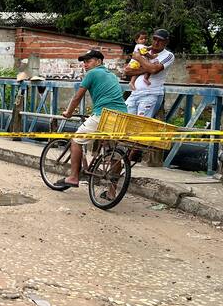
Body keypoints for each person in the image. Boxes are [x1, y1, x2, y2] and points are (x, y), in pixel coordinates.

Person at [59, 50, 127, 188]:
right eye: (84, 62)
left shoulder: (92, 73)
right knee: (113, 152)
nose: (85, 64)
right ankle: (111, 192)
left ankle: (73, 177)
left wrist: (69, 112)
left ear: (99, 62)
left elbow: (78, 96)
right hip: (122, 116)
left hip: (103, 115)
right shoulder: (112, 76)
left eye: (88, 61)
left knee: (77, 139)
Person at [124, 29, 174, 118]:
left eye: (160, 40)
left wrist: (139, 58)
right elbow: (128, 70)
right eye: (154, 39)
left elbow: (154, 70)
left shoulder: (168, 55)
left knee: (141, 125)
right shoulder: (144, 50)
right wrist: (148, 68)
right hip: (135, 93)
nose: (156, 42)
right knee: (126, 121)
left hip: (151, 94)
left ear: (166, 42)